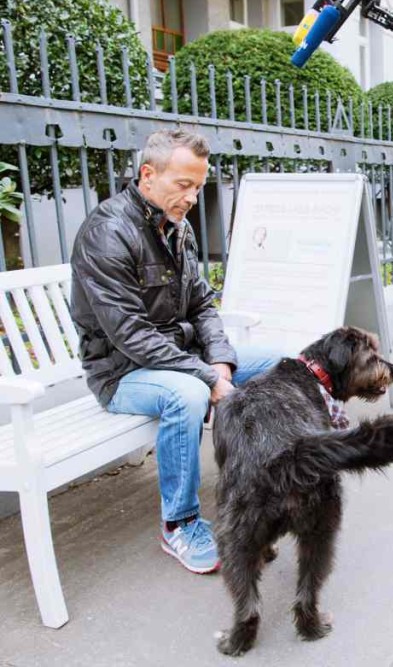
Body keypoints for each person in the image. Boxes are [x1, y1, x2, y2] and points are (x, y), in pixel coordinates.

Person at [70, 129, 280, 574]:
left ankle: (268, 483)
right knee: (185, 395)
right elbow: (130, 334)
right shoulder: (107, 233)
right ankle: (179, 524)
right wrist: (208, 378)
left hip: (178, 358)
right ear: (148, 175)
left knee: (279, 363)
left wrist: (220, 359)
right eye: (183, 184)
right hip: (121, 372)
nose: (192, 196)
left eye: (199, 186)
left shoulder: (174, 227)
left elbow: (202, 302)